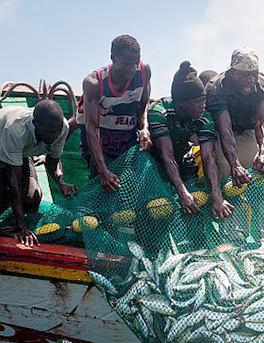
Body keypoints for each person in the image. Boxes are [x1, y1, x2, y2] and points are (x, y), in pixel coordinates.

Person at [149, 61, 233, 219]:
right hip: (154, 162)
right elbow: (166, 155)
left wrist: (217, 197)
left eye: (204, 100)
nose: (203, 106)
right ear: (181, 104)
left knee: (195, 201)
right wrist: (182, 192)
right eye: (198, 102)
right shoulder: (159, 112)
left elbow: (208, 157)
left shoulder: (204, 117)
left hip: (182, 158)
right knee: (156, 209)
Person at [77, 34, 152, 192]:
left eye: (135, 63)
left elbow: (143, 106)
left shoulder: (144, 72)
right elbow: (92, 129)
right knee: (103, 190)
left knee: (132, 190)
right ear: (113, 58)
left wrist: (145, 128)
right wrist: (103, 171)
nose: (132, 69)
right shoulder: (94, 83)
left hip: (126, 140)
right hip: (100, 143)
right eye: (126, 64)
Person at [0, 100, 76, 246]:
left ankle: (16, 222)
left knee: (32, 198)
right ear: (35, 123)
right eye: (49, 131)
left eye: (57, 130)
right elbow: (13, 183)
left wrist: (61, 182)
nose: (54, 136)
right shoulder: (15, 130)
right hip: (3, 142)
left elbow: (52, 162)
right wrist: (23, 229)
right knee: (4, 194)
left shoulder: (63, 128)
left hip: (22, 152)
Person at [206, 47, 264, 185]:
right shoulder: (217, 87)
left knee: (262, 169)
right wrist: (235, 165)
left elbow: (263, 121)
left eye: (254, 74)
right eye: (244, 75)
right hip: (220, 133)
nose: (251, 80)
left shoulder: (262, 84)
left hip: (248, 130)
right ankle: (221, 203)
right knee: (225, 167)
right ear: (233, 73)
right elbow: (225, 130)